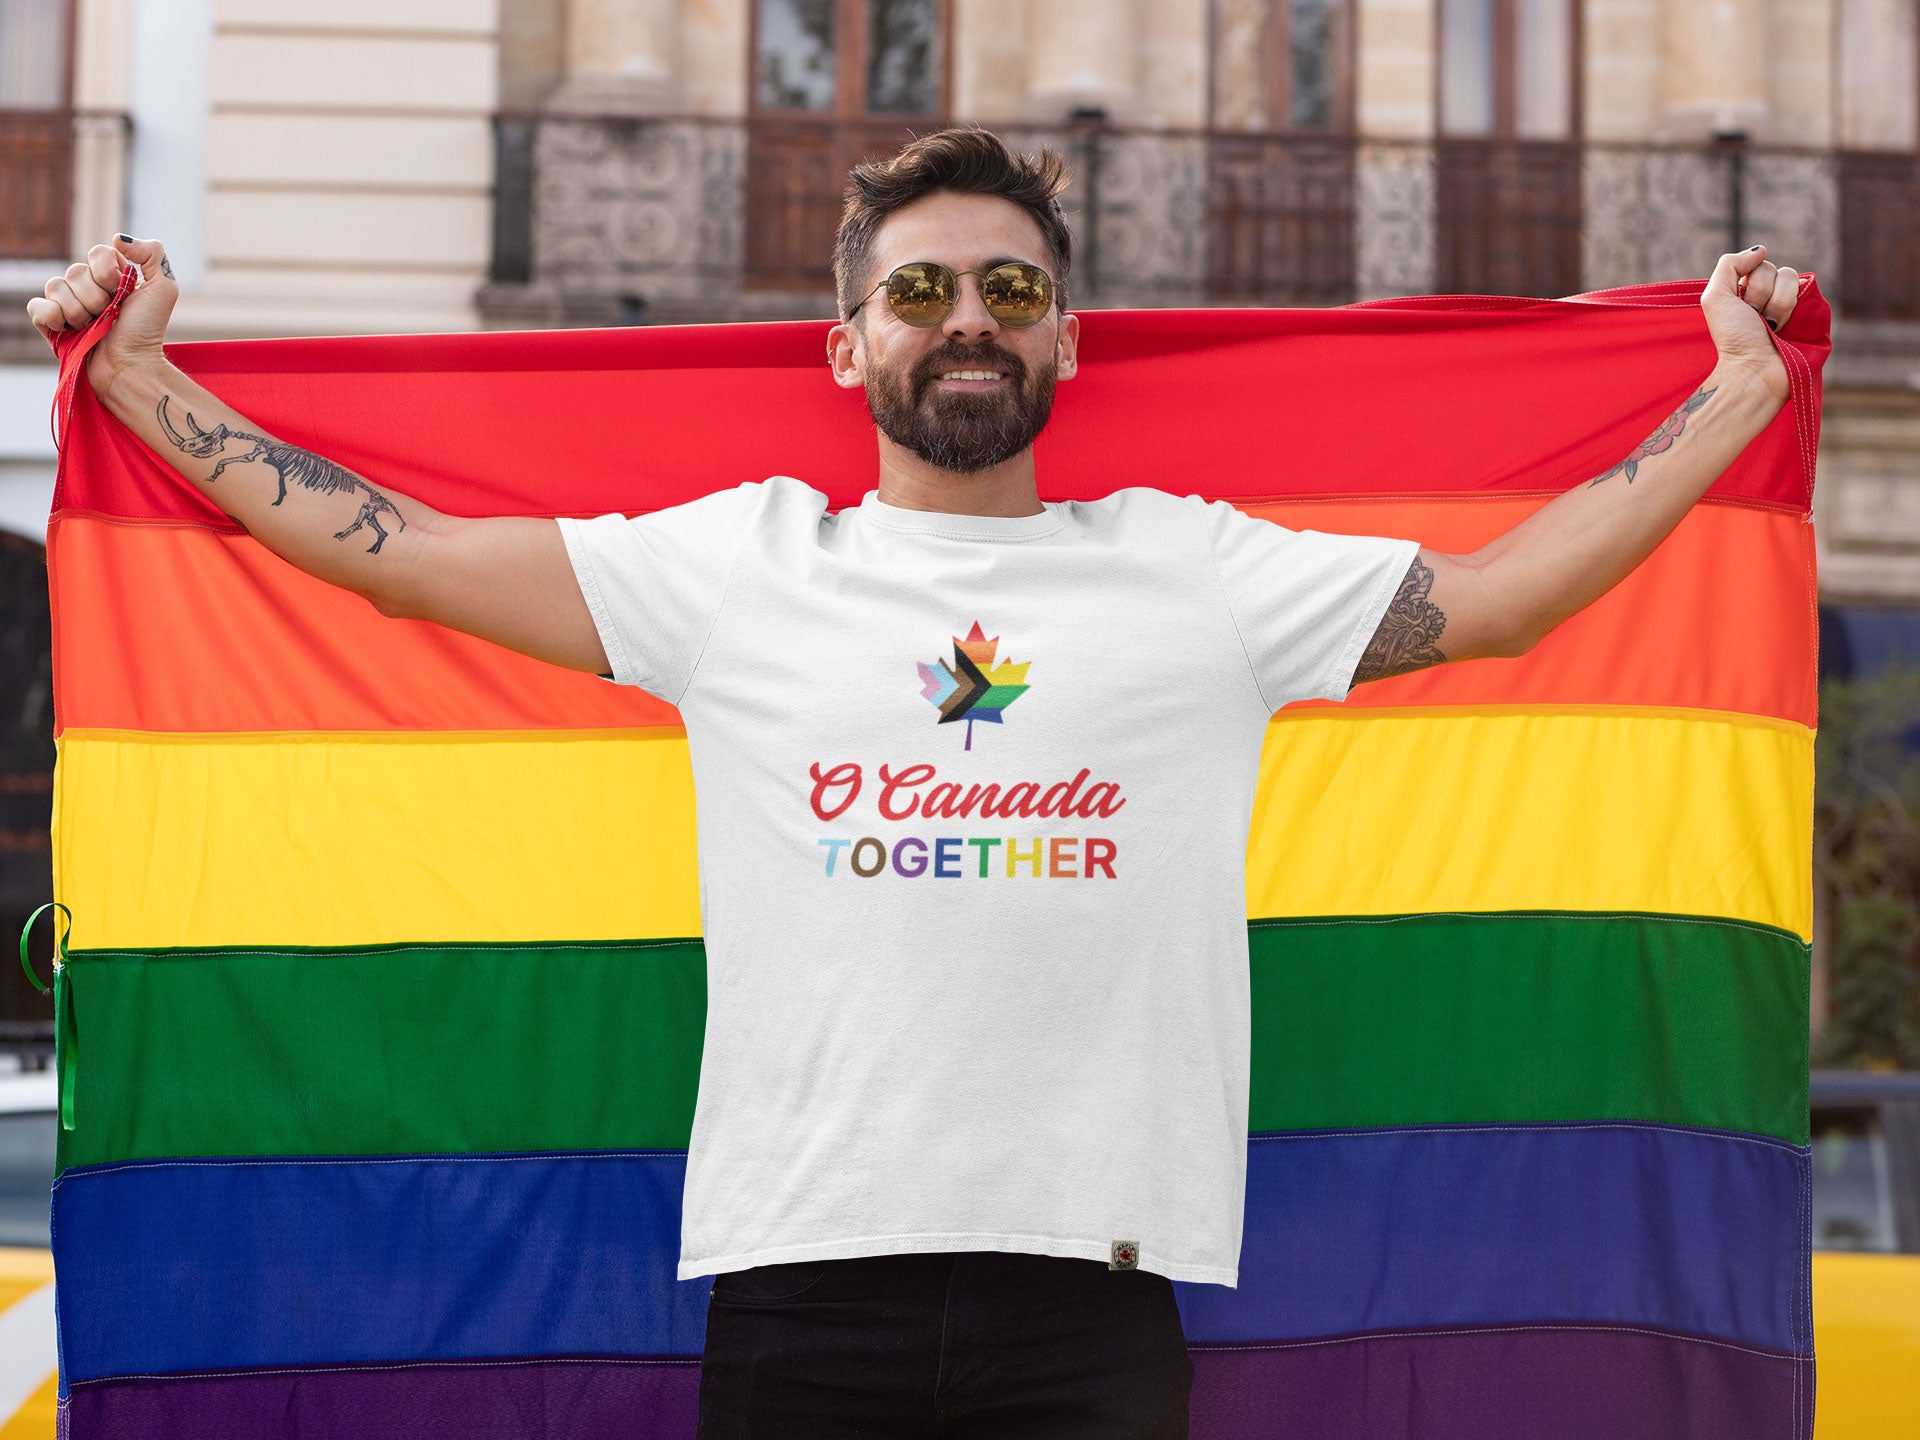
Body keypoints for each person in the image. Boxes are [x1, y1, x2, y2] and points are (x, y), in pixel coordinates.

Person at [28, 128, 1800, 1439]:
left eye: (1013, 289)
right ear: (848, 344)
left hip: (1095, 1310)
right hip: (801, 1302)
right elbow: (403, 554)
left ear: (1066, 341)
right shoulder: (738, 570)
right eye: (924, 290)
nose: (970, 320)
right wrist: (141, 383)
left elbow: (1497, 603)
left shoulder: (1196, 573)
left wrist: (1735, 393)